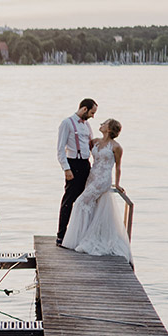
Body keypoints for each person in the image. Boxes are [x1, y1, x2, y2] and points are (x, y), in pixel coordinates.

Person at [61, 118, 131, 261]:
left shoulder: (116, 147)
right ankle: (85, 236)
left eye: (104, 123)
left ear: (110, 129)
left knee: (80, 202)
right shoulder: (95, 141)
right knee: (90, 206)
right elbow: (79, 143)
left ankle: (76, 239)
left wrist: (117, 184)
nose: (101, 124)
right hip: (92, 176)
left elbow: (118, 167)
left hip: (103, 179)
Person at [56, 98, 97, 245]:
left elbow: (91, 145)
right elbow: (60, 149)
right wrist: (66, 168)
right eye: (92, 112)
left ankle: (78, 234)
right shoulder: (67, 123)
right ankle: (61, 235)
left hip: (86, 165)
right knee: (69, 201)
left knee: (84, 201)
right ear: (84, 109)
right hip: (73, 164)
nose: (93, 116)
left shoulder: (87, 126)